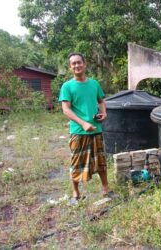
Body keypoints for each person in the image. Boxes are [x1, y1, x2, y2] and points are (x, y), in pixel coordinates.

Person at [59, 52, 116, 205]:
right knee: (76, 163)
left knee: (101, 161)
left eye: (79, 62)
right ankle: (76, 194)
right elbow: (66, 109)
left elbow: (101, 101)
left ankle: (106, 190)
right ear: (70, 67)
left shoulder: (94, 84)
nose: (77, 65)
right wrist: (83, 123)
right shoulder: (67, 86)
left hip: (96, 129)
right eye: (73, 64)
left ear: (85, 64)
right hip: (78, 132)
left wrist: (103, 112)